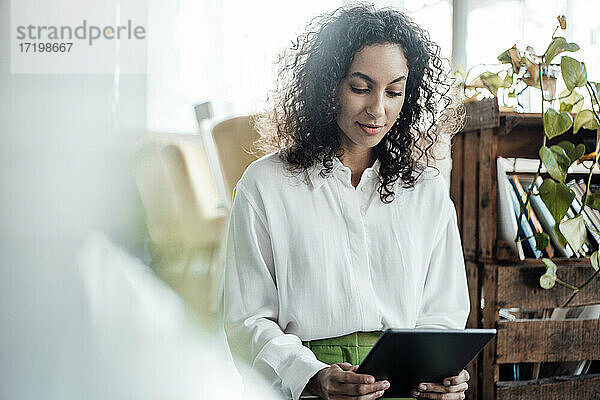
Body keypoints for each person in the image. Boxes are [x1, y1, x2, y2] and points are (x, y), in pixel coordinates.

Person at [222, 4, 470, 400]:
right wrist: (312, 376)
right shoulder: (264, 185)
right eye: (360, 87)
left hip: (406, 388)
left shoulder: (428, 191)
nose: (378, 109)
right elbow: (248, 319)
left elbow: (443, 314)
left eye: (394, 91)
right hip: (305, 388)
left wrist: (442, 374)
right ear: (327, 86)